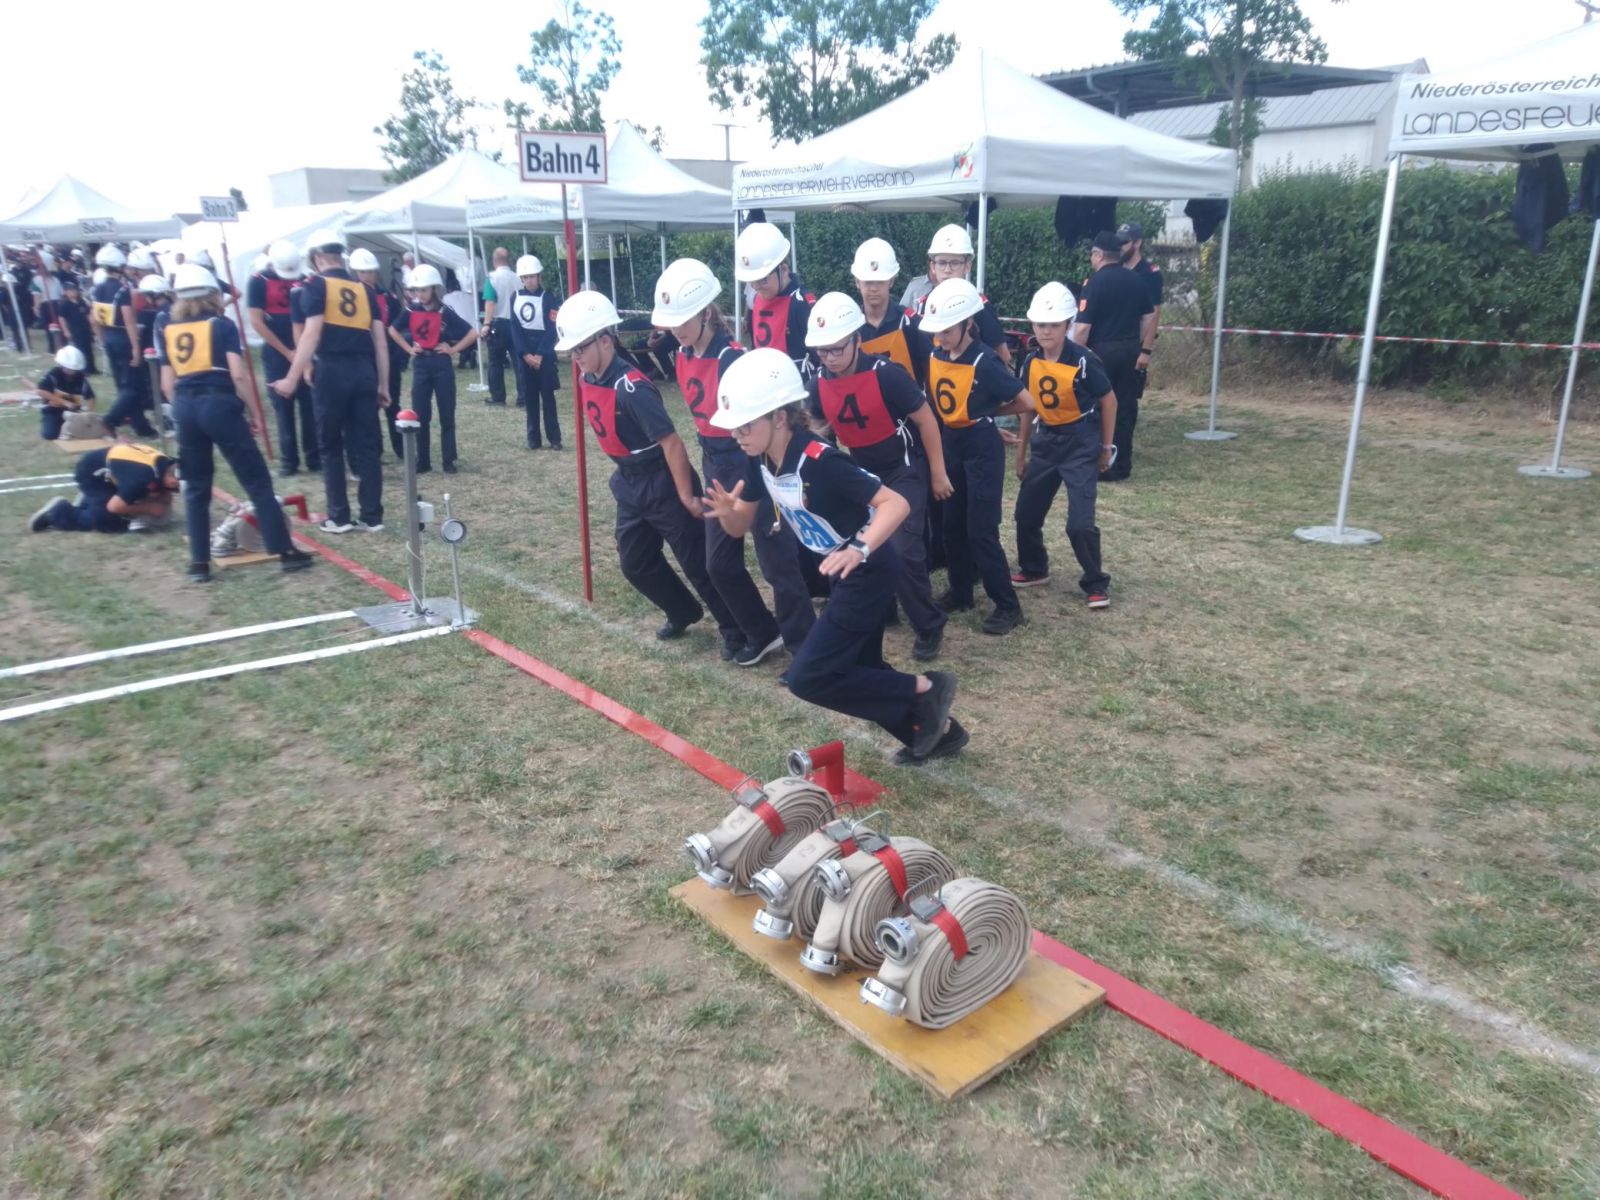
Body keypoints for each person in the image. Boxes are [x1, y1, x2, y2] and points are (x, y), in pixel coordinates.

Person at [702, 349, 966, 764]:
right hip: (837, 568)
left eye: (745, 424)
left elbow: (895, 504)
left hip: (868, 568)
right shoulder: (758, 461)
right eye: (734, 426)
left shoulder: (821, 460)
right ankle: (939, 733)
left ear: (779, 417)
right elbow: (739, 528)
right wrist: (727, 514)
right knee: (860, 665)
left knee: (808, 677)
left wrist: (859, 549)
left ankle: (927, 688)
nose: (737, 434)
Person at [554, 289, 741, 645]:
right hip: (628, 482)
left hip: (661, 481)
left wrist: (686, 496)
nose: (575, 356)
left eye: (581, 348)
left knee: (696, 562)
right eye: (572, 350)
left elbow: (672, 442)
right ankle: (682, 610)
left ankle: (735, 629)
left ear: (605, 341)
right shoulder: (586, 378)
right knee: (634, 561)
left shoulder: (632, 388)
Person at [651, 258, 787, 667]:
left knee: (774, 559)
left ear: (706, 312)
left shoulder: (732, 357)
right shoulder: (681, 354)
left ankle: (784, 635)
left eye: (684, 319)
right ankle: (761, 630)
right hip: (714, 462)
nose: (677, 329)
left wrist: (753, 469)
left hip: (744, 462)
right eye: (672, 322)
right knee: (719, 562)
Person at [804, 292, 953, 661]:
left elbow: (926, 420)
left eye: (836, 348)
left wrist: (937, 473)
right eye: (822, 351)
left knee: (902, 547)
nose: (829, 357)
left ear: (857, 339)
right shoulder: (818, 381)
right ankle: (883, 607)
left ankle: (929, 624)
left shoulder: (887, 374)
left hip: (903, 470)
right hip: (862, 475)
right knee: (861, 543)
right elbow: (818, 424)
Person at [154, 263, 313, 582]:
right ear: (213, 294)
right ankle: (285, 551)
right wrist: (254, 412)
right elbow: (238, 375)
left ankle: (199, 562)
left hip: (185, 405)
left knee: (195, 486)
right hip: (218, 403)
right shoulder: (221, 326)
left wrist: (184, 411)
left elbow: (167, 384)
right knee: (256, 480)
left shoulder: (168, 330)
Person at [920, 278, 1033, 636]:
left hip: (981, 448)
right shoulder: (936, 355)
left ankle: (1008, 606)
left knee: (981, 530)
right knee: (951, 525)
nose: (940, 337)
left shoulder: (985, 360)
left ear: (968, 323)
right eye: (937, 330)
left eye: (947, 330)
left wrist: (987, 414)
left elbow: (1026, 401)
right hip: (950, 443)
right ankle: (961, 591)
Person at [270, 228, 390, 535]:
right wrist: (384, 385)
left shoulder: (315, 286)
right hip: (364, 370)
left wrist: (292, 377)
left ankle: (339, 516)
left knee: (330, 444)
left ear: (317, 258)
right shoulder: (365, 290)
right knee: (366, 445)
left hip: (332, 369)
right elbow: (380, 342)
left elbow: (310, 334)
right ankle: (372, 516)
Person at [1012, 282, 1117, 609]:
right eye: (1040, 324)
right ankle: (1034, 568)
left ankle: (1095, 582)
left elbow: (1109, 401)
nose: (1046, 331)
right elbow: (1028, 407)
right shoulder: (1030, 362)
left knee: (1079, 524)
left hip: (1080, 443)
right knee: (1026, 513)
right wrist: (1021, 451)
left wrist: (1105, 447)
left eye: (1054, 325)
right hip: (1046, 442)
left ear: (1067, 325)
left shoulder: (1085, 360)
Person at [1074, 232, 1153, 482]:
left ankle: (1099, 463)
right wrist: (1136, 343)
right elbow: (1149, 317)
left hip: (1100, 353)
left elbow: (1082, 328)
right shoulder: (1137, 279)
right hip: (1129, 349)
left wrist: (1074, 356)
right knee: (1125, 407)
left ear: (1098, 255)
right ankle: (1121, 465)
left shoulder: (1094, 283)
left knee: (1098, 406)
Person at [389, 264, 477, 474]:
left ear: (434, 289)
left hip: (441, 365)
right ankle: (423, 461)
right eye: (417, 290)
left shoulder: (445, 312)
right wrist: (409, 349)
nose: (420, 294)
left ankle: (449, 460)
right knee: (420, 414)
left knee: (447, 413)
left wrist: (453, 349)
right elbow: (392, 329)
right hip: (421, 365)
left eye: (424, 290)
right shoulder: (411, 310)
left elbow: (472, 333)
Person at [248, 239, 321, 478]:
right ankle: (289, 461)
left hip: (305, 349)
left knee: (309, 405)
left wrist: (302, 353)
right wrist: (287, 352)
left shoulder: (306, 280)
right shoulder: (259, 281)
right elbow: (257, 322)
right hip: (277, 353)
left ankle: (314, 457)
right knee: (283, 408)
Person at [906, 225, 1010, 375]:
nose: (947, 270)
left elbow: (1002, 356)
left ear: (967, 266)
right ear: (933, 266)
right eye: (942, 262)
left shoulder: (979, 305)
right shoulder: (926, 304)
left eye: (955, 263)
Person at [29, 443, 179, 535]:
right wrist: (149, 507)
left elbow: (159, 488)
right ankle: (57, 513)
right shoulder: (143, 478)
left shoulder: (164, 463)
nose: (177, 488)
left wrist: (162, 499)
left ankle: (87, 503)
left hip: (110, 468)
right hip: (91, 474)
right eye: (177, 484)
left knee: (139, 498)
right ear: (172, 479)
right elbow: (114, 507)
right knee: (107, 521)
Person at [350, 247, 409, 462]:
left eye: (370, 272)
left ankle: (401, 449)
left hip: (388, 357)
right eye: (363, 272)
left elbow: (398, 326)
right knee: (368, 408)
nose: (367, 276)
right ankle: (374, 450)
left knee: (392, 404)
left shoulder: (388, 297)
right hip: (364, 358)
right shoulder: (351, 296)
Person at [733, 222, 813, 368]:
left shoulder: (801, 304)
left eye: (763, 280)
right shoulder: (757, 299)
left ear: (784, 269)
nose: (756, 287)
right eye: (751, 281)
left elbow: (818, 356)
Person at [507, 254, 562, 450]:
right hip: (525, 356)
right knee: (530, 399)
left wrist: (540, 354)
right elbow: (515, 328)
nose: (529, 281)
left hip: (544, 355)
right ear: (521, 279)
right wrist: (525, 354)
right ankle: (533, 438)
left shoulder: (549, 298)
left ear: (539, 277)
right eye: (526, 277)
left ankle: (554, 438)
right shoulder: (515, 297)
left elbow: (552, 328)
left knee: (548, 398)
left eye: (532, 276)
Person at [104, 273, 169, 438]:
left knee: (132, 388)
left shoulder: (103, 291)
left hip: (117, 342)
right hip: (142, 352)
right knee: (133, 388)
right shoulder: (155, 312)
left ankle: (139, 425)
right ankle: (114, 419)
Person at [850, 238, 917, 377]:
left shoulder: (910, 323)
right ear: (857, 282)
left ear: (891, 281)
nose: (874, 288)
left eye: (880, 282)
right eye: (868, 282)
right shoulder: (850, 328)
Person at [480, 247, 521, 406]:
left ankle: (498, 397)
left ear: (494, 260)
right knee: (518, 362)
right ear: (508, 260)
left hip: (498, 323)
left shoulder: (492, 278)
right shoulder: (518, 278)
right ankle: (523, 397)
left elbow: (490, 301)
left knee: (495, 362)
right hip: (516, 324)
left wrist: (486, 323)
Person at [34, 345, 95, 440]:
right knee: (49, 434)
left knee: (85, 432)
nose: (71, 371)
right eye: (68, 368)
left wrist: (89, 414)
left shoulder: (81, 378)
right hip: (53, 410)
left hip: (73, 412)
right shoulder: (53, 374)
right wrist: (65, 402)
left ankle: (68, 427)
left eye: (74, 369)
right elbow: (41, 391)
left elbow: (91, 398)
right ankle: (54, 424)